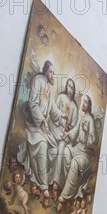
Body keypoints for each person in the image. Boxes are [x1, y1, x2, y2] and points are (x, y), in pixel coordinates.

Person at [17, 60, 67, 202]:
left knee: (54, 149)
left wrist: (61, 115)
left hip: (42, 126)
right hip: (34, 123)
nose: (53, 75)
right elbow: (32, 103)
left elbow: (51, 108)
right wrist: (42, 120)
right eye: (51, 71)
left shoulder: (49, 88)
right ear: (45, 71)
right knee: (43, 145)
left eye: (54, 72)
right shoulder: (38, 81)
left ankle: (45, 178)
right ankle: (43, 186)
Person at [58, 95, 96, 202]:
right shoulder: (82, 116)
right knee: (66, 151)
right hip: (77, 148)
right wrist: (67, 133)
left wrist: (87, 131)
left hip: (85, 154)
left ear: (89, 106)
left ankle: (66, 195)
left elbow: (93, 141)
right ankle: (68, 185)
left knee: (75, 162)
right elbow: (75, 130)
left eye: (86, 102)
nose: (83, 104)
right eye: (83, 101)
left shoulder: (90, 120)